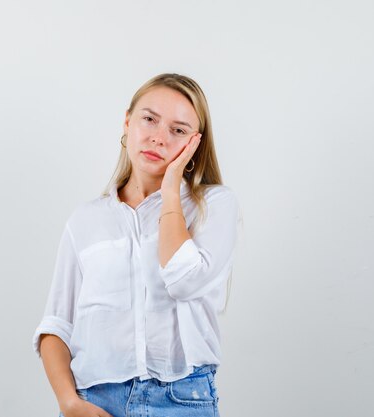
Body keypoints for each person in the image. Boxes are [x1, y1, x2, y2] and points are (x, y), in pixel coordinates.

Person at [32, 73, 243, 417]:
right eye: (149, 119)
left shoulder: (213, 206)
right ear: (128, 122)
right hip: (94, 401)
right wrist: (69, 402)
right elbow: (57, 325)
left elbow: (183, 279)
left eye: (178, 130)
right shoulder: (85, 221)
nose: (159, 138)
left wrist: (171, 190)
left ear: (195, 143)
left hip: (182, 401)